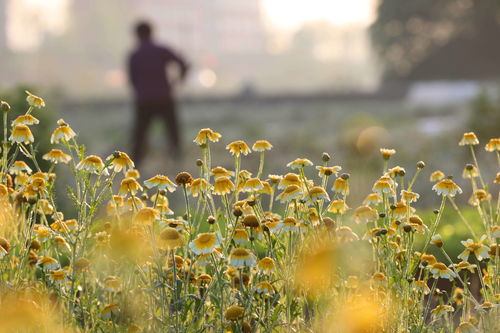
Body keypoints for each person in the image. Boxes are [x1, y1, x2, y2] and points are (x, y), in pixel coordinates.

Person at [128, 21, 189, 168]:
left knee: (140, 135)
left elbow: (132, 79)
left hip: (144, 101)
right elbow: (183, 63)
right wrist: (178, 80)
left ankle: (135, 166)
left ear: (137, 35)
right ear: (151, 32)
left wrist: (140, 90)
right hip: (164, 97)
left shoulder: (134, 55)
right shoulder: (162, 50)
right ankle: (177, 162)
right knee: (172, 133)